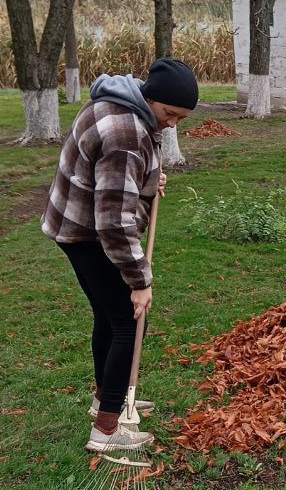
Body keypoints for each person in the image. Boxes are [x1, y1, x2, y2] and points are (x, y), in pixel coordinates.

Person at [42, 57, 199, 452]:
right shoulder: (127, 132)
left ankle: (105, 399)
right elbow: (113, 221)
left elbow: (111, 175)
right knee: (129, 320)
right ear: (152, 98)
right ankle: (108, 429)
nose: (172, 124)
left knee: (110, 318)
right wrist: (140, 279)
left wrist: (146, 177)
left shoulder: (117, 102)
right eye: (169, 114)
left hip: (75, 225)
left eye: (182, 118)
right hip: (88, 235)